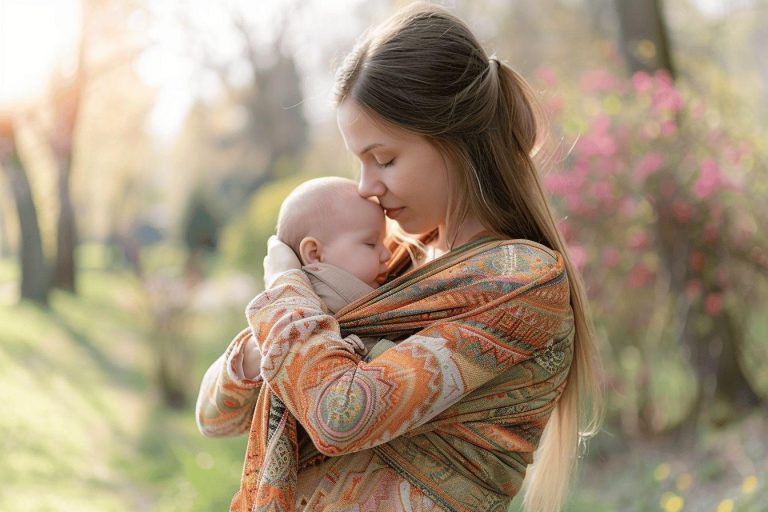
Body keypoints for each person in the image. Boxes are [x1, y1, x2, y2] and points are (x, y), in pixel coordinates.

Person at [196, 3, 603, 512]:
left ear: (455, 140)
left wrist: (285, 289)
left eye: (384, 158)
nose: (367, 186)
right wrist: (276, 345)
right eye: (359, 161)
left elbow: (340, 414)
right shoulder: (387, 269)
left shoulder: (520, 282)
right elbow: (218, 413)